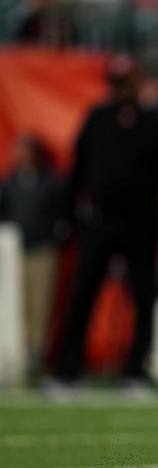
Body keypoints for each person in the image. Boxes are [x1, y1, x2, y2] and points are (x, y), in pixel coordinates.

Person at [52, 55, 158, 389]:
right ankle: (67, 369)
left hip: (141, 222)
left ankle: (136, 369)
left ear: (137, 83)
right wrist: (68, 215)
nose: (122, 89)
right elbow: (78, 171)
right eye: (117, 82)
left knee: (142, 294)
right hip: (100, 220)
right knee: (83, 293)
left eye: (127, 82)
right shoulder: (97, 118)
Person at [0, 135, 68, 380]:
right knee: (17, 301)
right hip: (14, 251)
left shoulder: (50, 183)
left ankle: (36, 352)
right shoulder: (9, 183)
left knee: (41, 302)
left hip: (42, 250)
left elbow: (62, 214)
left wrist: (55, 236)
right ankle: (17, 351)